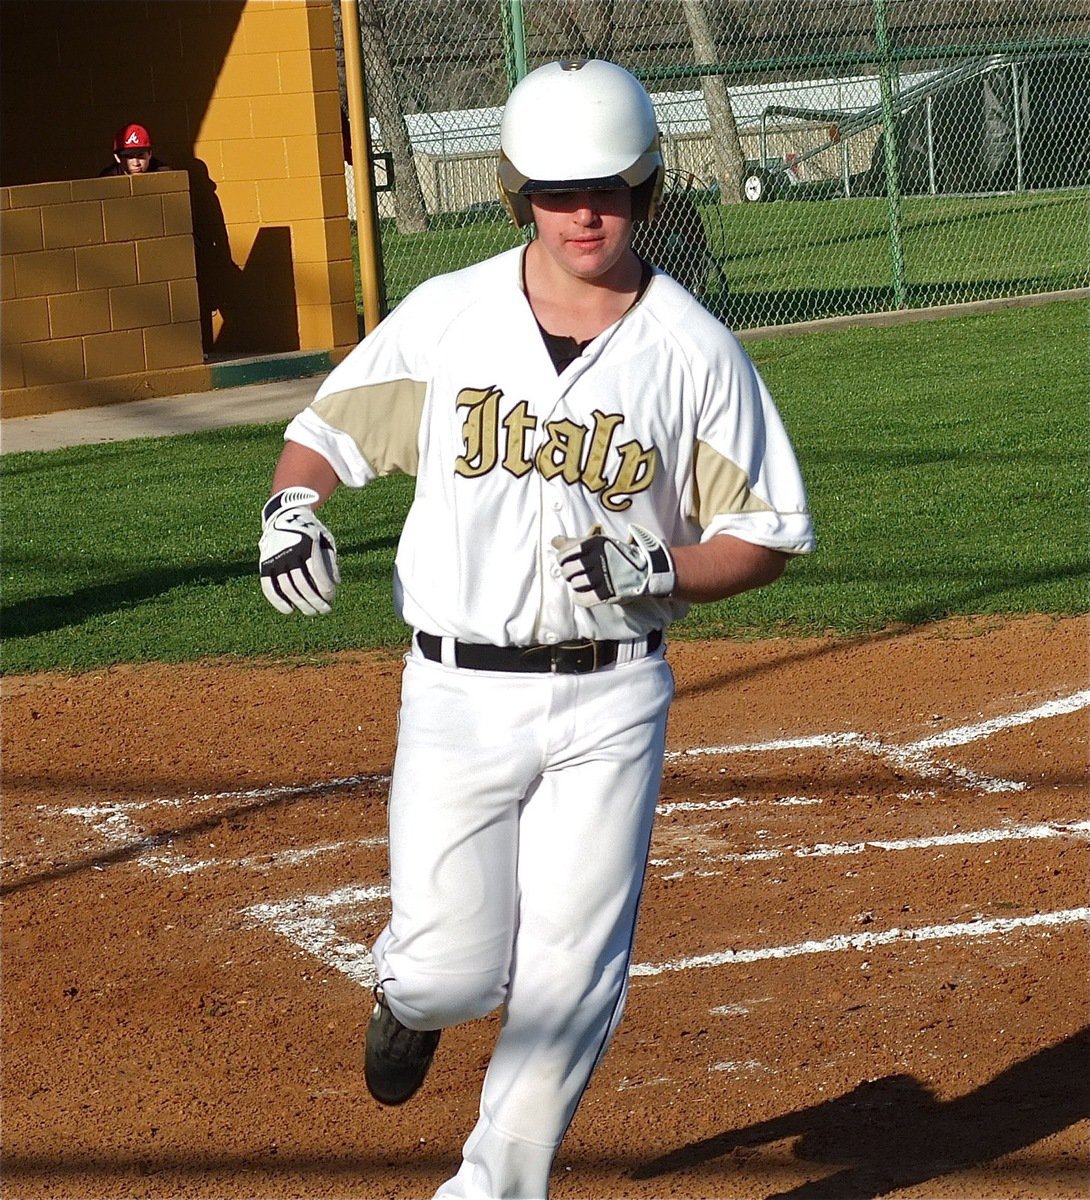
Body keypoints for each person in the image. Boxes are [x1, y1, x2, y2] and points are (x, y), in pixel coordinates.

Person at [257, 58, 815, 1200]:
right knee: (453, 971)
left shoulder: (694, 353)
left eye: (606, 188)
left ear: (648, 188)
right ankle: (410, 1000)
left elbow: (764, 533)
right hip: (459, 694)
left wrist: (666, 563)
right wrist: (290, 506)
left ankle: (494, 1185)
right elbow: (331, 433)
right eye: (557, 191)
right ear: (519, 192)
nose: (583, 214)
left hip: (612, 699)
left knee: (571, 974)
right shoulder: (452, 314)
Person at [99, 123, 169, 176]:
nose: (136, 163)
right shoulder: (109, 178)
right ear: (117, 157)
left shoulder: (163, 174)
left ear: (150, 154)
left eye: (141, 155)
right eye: (129, 157)